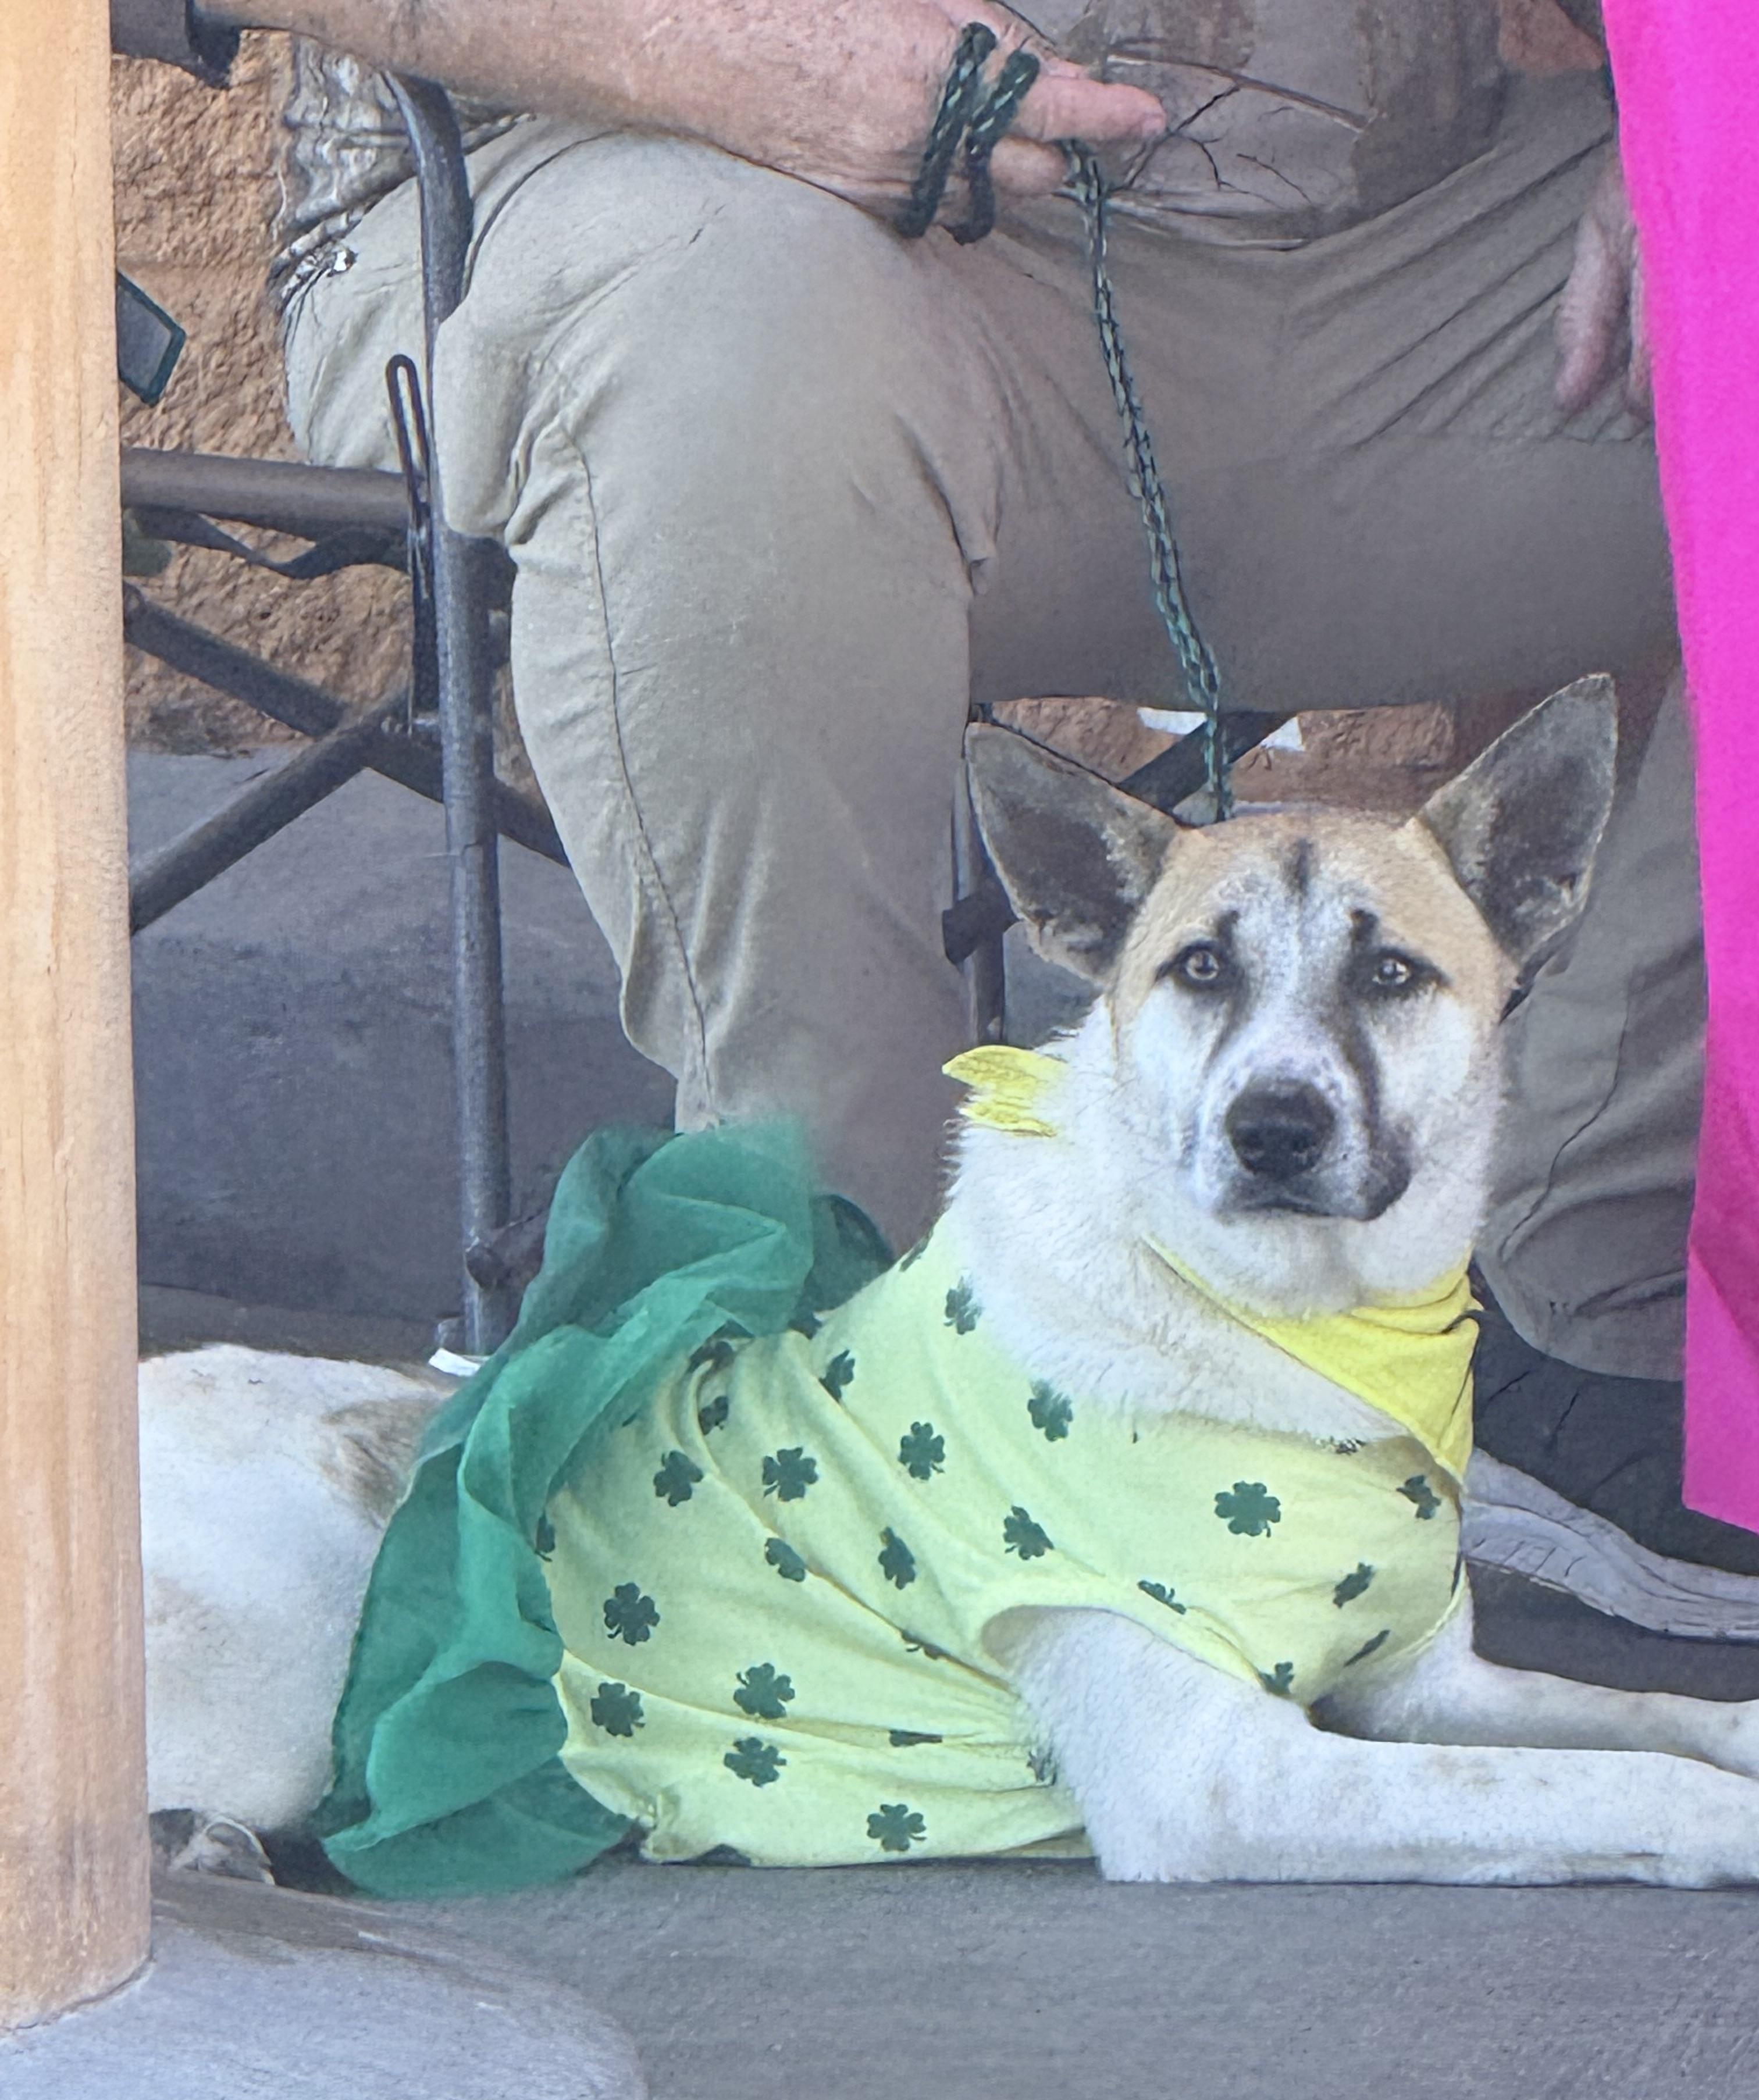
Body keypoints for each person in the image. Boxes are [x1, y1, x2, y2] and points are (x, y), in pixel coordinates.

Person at [183, 0, 1730, 1569]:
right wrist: (719, 53)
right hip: (683, 224)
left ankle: (1597, 1281)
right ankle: (854, 1365)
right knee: (735, 315)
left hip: (1414, 267)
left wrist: (1700, 141)